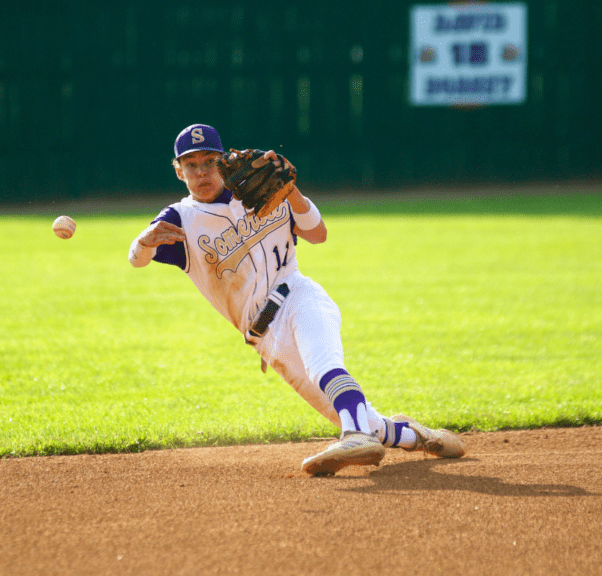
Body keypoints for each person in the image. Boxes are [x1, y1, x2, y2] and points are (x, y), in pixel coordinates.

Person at [128, 124, 466, 476]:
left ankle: (353, 435)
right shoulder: (180, 219)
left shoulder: (263, 190)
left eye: (210, 161)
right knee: (367, 422)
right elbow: (136, 259)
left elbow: (318, 234)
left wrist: (292, 192)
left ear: (224, 161)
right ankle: (419, 435)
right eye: (191, 164)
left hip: (299, 296)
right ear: (179, 170)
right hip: (266, 341)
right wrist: (145, 240)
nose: (201, 172)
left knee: (325, 368)